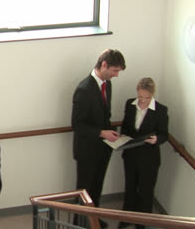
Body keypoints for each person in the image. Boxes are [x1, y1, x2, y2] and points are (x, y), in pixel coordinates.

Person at [72, 49, 126, 228]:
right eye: (115, 70)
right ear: (104, 65)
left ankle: (94, 220)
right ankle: (80, 224)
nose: (116, 75)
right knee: (84, 191)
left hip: (102, 148)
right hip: (87, 151)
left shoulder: (107, 84)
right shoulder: (83, 89)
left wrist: (111, 133)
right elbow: (77, 125)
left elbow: (104, 116)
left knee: (97, 188)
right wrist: (102, 133)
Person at [118, 78, 168, 229]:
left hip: (149, 158)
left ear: (152, 95)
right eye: (140, 97)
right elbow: (125, 126)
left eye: (147, 98)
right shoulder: (130, 104)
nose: (143, 101)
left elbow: (165, 135)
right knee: (130, 188)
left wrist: (156, 139)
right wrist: (122, 137)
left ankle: (142, 224)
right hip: (131, 155)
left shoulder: (161, 110)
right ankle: (126, 219)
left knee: (146, 191)